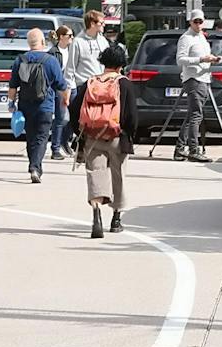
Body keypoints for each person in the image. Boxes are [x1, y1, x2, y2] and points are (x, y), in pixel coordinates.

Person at [70, 44, 138, 239]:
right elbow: (132, 115)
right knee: (119, 176)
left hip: (92, 137)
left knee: (95, 174)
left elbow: (74, 109)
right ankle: (116, 219)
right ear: (121, 65)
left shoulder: (90, 83)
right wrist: (130, 135)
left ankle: (96, 213)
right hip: (118, 137)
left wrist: (80, 132)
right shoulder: (124, 84)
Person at [9, 27, 67, 183]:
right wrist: (65, 100)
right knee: (41, 138)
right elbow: (61, 85)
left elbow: (13, 85)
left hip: (25, 105)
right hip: (45, 106)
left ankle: (33, 165)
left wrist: (11, 103)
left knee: (30, 137)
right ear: (43, 41)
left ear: (28, 43)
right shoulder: (51, 60)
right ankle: (36, 167)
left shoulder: (20, 60)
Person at [175, 9, 221, 163]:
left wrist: (213, 59)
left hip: (204, 78)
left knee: (192, 115)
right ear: (190, 21)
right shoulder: (186, 38)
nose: (199, 24)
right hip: (194, 79)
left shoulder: (201, 37)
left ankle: (180, 148)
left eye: (201, 21)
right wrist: (201, 59)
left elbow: (204, 57)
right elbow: (180, 60)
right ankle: (194, 149)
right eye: (196, 21)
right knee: (196, 115)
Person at [48, 24, 76, 161]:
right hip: (60, 88)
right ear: (61, 37)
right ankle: (55, 148)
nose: (72, 38)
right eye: (69, 35)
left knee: (73, 118)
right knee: (61, 118)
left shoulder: (73, 50)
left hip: (73, 86)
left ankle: (66, 142)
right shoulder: (53, 52)